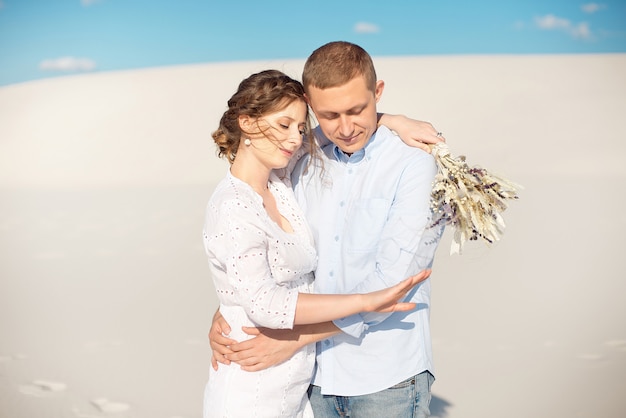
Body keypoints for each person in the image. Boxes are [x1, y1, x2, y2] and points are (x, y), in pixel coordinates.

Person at [209, 42, 445, 417]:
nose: (347, 128)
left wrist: (293, 338)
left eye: (358, 110)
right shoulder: (301, 159)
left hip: (385, 380)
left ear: (378, 92)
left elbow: (391, 286)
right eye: (329, 115)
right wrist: (233, 308)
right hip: (312, 381)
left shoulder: (415, 165)